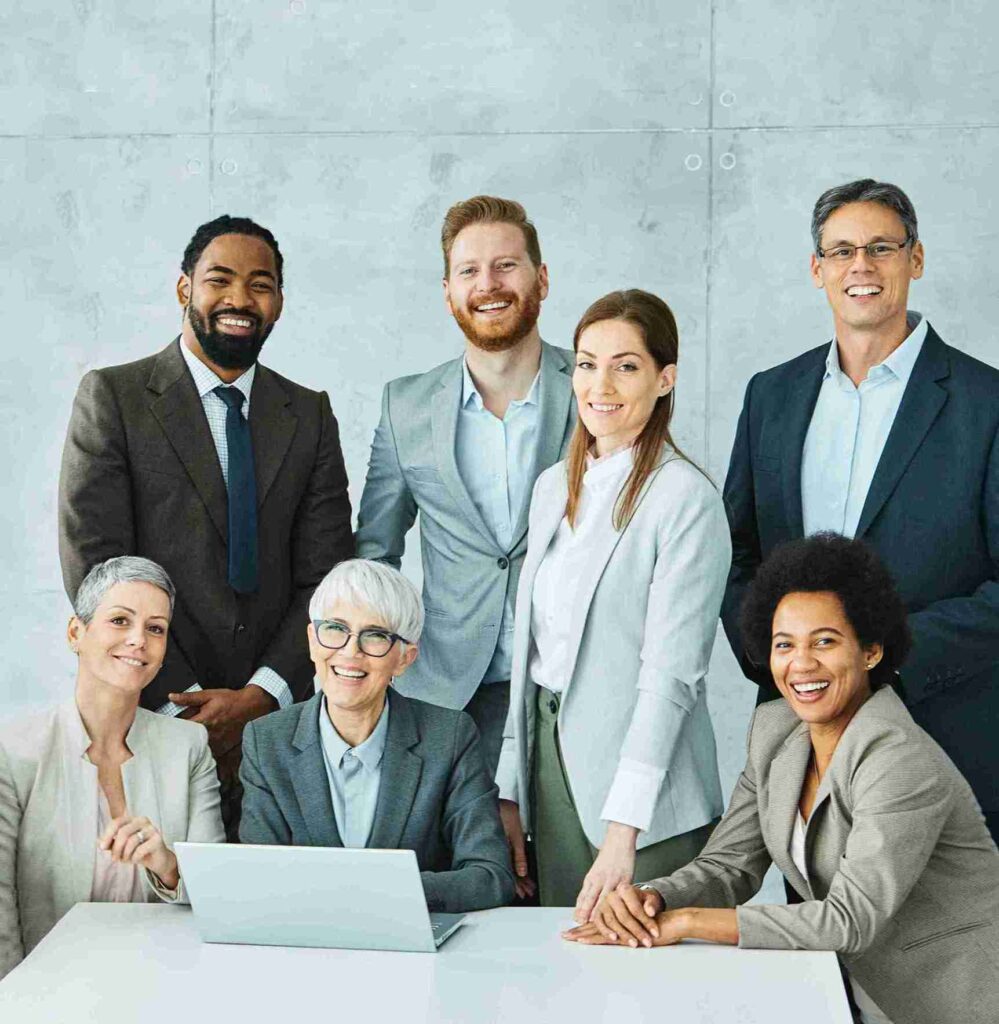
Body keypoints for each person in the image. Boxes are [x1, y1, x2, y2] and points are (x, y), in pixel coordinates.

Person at [565, 534, 999, 1024]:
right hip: (852, 993)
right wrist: (655, 898)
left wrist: (685, 921)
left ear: (872, 651)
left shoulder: (898, 759)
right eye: (784, 645)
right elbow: (730, 865)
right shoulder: (775, 732)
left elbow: (847, 920)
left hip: (957, 1001)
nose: (801, 663)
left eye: (825, 641)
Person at [58, 215, 354, 838]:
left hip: (277, 727)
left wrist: (262, 697)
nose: (240, 299)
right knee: (155, 907)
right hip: (148, 714)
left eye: (261, 284)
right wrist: (183, 700)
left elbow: (327, 578)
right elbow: (97, 565)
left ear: (279, 302)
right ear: (184, 288)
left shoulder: (309, 414)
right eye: (219, 279)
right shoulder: (114, 397)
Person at [721, 179, 999, 839]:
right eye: (841, 251)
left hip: (942, 731)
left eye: (880, 247)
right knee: (809, 934)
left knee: (938, 941)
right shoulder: (771, 396)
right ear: (816, 270)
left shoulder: (985, 403)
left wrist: (882, 660)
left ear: (916, 259)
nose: (861, 267)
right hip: (801, 741)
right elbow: (734, 555)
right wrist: (782, 662)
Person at [495, 289, 730, 916]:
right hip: (550, 763)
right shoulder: (553, 488)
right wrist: (511, 789)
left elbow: (671, 677)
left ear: (664, 379)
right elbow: (532, 652)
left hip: (644, 796)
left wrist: (624, 829)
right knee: (561, 971)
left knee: (641, 984)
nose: (601, 384)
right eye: (586, 363)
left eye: (625, 365)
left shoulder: (684, 499)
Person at [355, 196, 576, 776]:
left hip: (567, 682)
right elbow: (375, 553)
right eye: (469, 271)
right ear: (449, 290)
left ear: (541, 278)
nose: (489, 284)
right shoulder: (405, 406)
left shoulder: (593, 388)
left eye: (506, 265)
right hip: (444, 690)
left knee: (557, 867)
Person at [238, 558, 515, 913]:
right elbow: (258, 878)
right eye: (336, 629)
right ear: (312, 640)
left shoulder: (451, 737)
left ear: (404, 658)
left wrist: (379, 891)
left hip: (416, 953)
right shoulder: (266, 741)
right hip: (305, 950)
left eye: (375, 636)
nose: (350, 652)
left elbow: (490, 877)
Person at [0, 557, 225, 980]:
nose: (139, 639)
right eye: (120, 620)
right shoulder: (13, 751)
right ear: (75, 633)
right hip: (47, 992)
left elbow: (216, 895)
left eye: (155, 628)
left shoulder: (189, 745)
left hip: (167, 986)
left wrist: (168, 864)